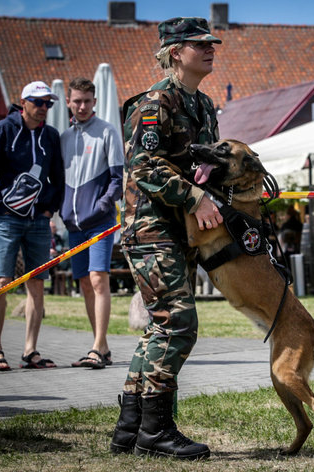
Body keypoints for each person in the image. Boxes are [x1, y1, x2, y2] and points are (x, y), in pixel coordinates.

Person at [109, 17, 223, 460]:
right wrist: (195, 197)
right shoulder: (155, 103)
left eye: (212, 43)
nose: (211, 48)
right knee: (178, 325)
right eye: (201, 44)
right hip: (151, 229)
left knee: (159, 327)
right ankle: (157, 431)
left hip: (180, 233)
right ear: (176, 52)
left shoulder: (205, 105)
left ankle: (130, 430)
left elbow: (205, 161)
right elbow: (145, 167)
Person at [0, 81, 64, 371]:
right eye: (38, 102)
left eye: (48, 104)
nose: (43, 109)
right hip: (7, 218)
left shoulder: (50, 135)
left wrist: (50, 209)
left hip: (39, 220)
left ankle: (30, 351)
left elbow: (58, 176)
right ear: (23, 102)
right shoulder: (2, 130)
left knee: (36, 283)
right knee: (1, 281)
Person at [60, 77, 124, 369]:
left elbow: (118, 179)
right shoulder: (64, 137)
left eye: (87, 101)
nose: (82, 106)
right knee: (85, 283)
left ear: (94, 102)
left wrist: (102, 204)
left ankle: (97, 347)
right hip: (73, 225)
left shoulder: (107, 132)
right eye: (77, 101)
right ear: (69, 102)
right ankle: (103, 347)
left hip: (100, 221)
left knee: (99, 279)